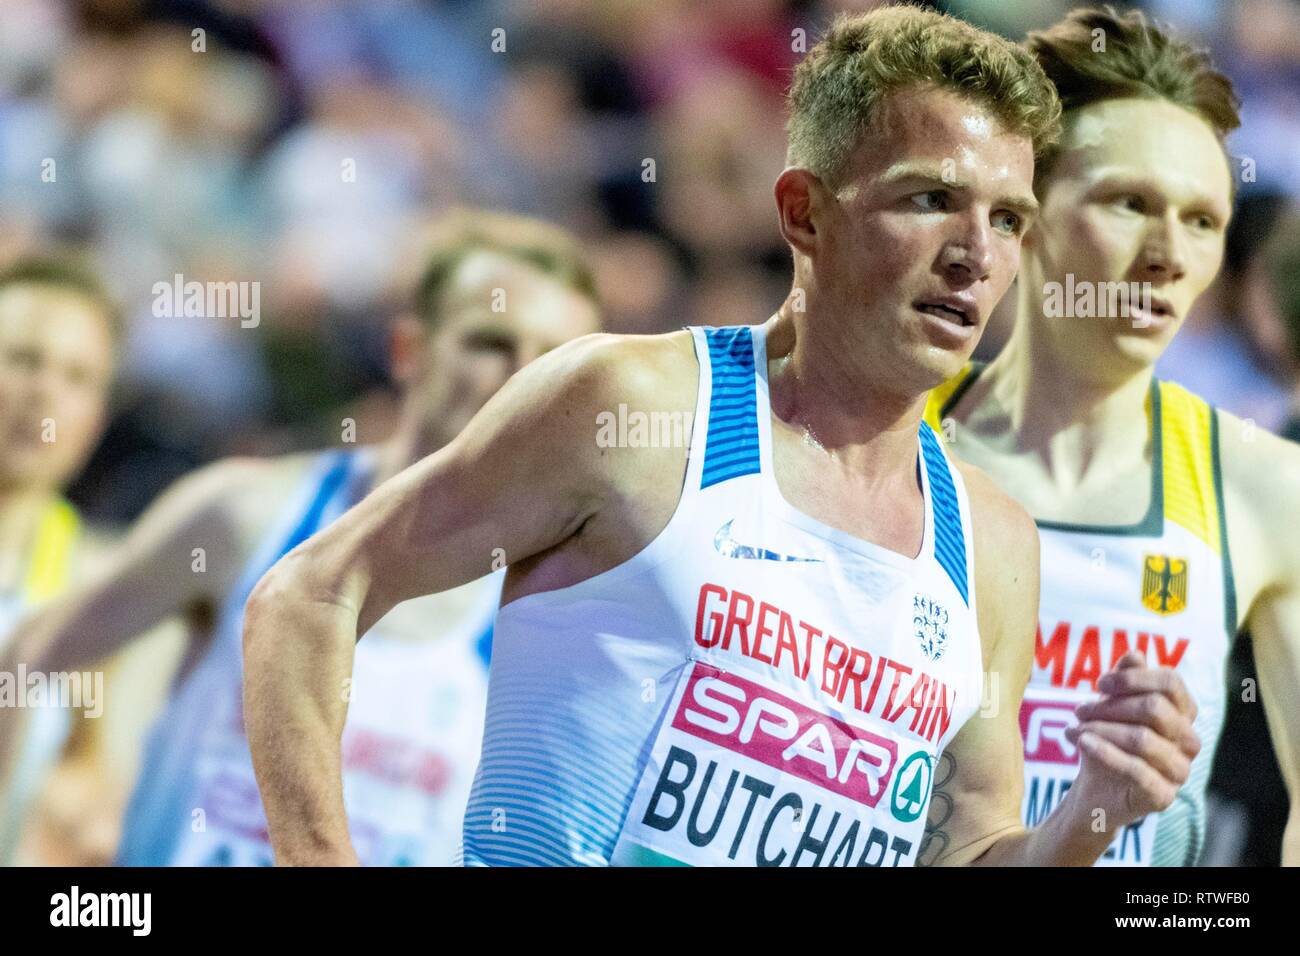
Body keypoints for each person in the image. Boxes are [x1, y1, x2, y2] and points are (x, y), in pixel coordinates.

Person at [242, 7, 1198, 868]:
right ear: (803, 212)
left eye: (1008, 219)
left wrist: (1095, 815)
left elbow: (971, 850)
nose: (975, 254)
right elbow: (312, 593)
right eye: (929, 200)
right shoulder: (632, 405)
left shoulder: (992, 542)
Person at [0, 210, 602, 866]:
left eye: (553, 363)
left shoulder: (557, 615)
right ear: (410, 350)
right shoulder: (246, 513)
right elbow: (30, 655)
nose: (521, 380)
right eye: (490, 342)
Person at [924, 6, 1300, 865]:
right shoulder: (894, 437)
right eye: (1130, 203)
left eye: (1203, 220)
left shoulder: (1267, 490)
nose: (1170, 253)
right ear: (1025, 212)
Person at [0, 255, 125, 865]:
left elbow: (80, 759)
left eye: (77, 377)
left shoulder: (92, 584)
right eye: (22, 359)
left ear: (96, 418)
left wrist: (78, 815)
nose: (44, 391)